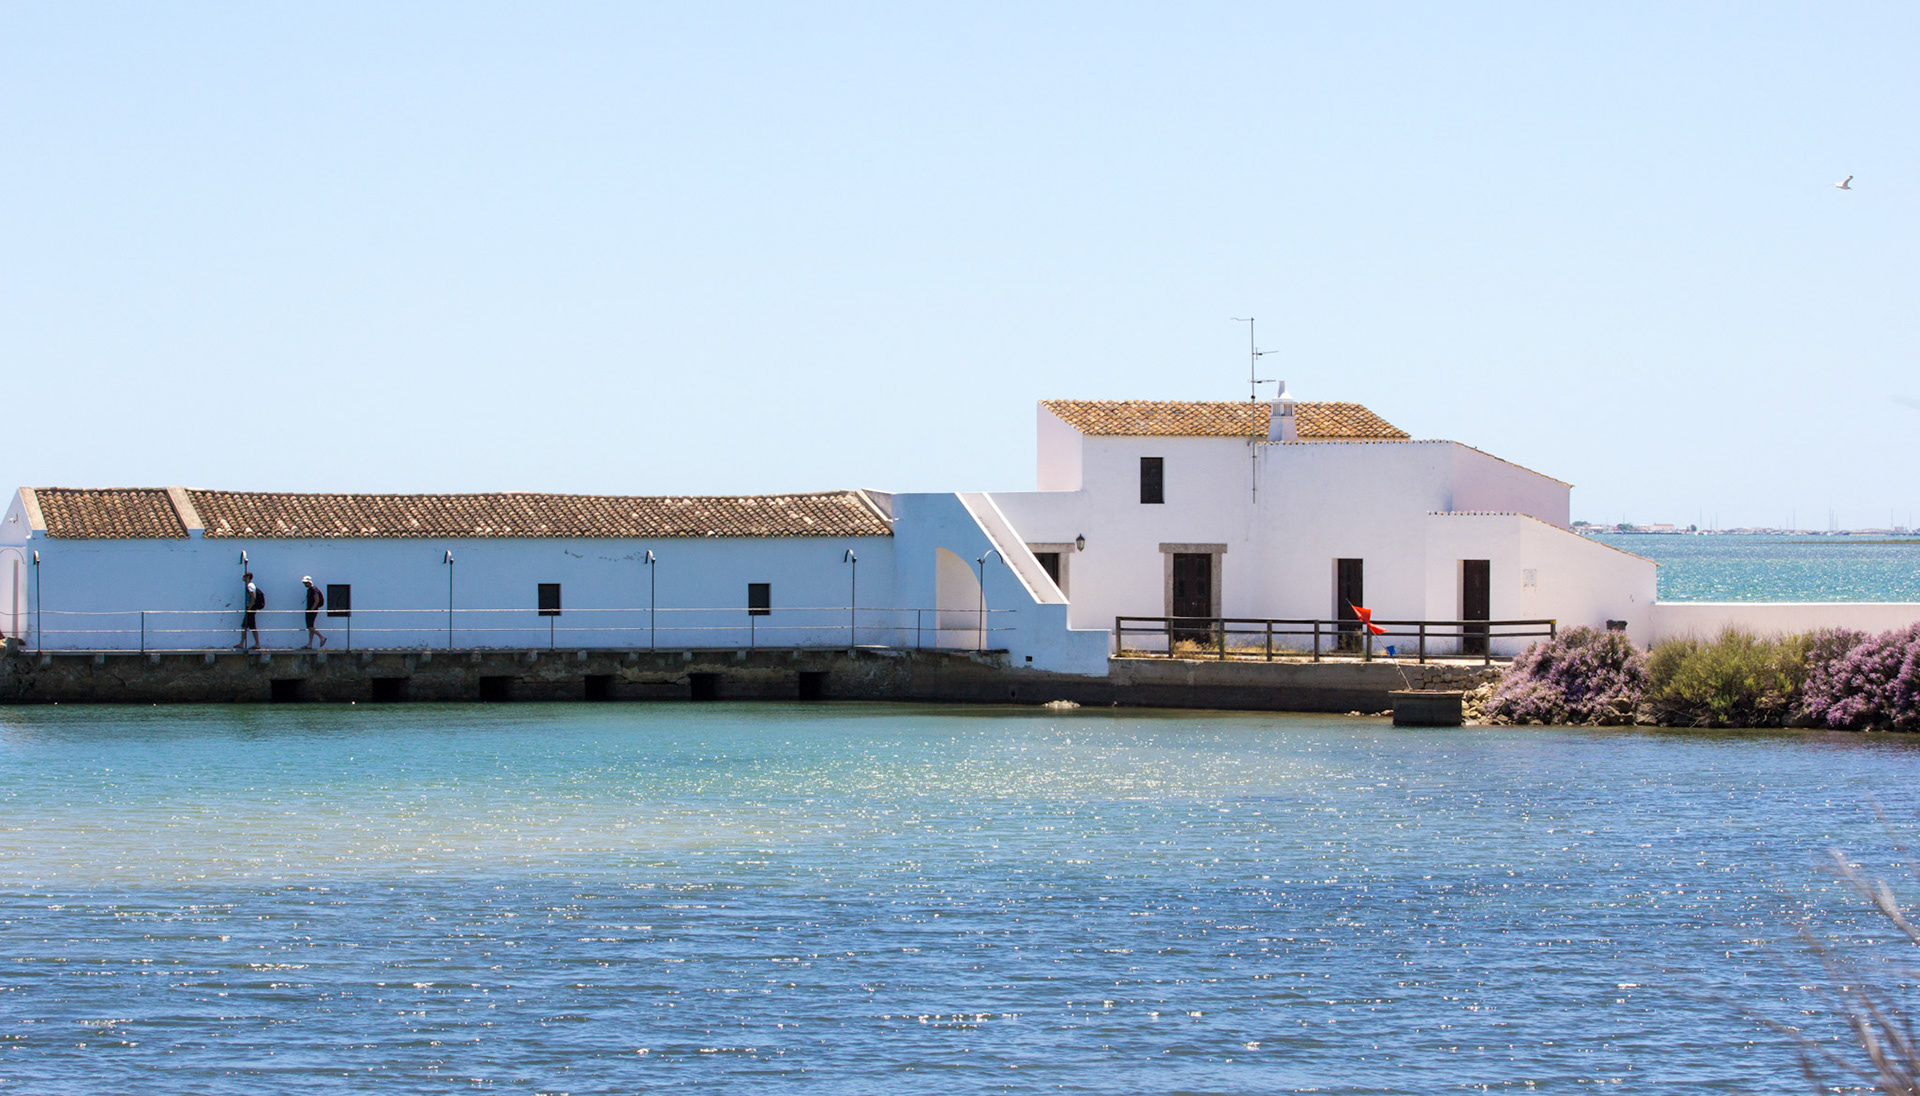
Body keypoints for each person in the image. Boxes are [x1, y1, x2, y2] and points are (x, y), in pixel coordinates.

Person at [238, 572, 264, 650]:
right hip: (251, 608)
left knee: (250, 626)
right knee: (246, 626)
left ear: (248, 577)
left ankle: (256, 644)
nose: (243, 577)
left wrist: (250, 607)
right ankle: (242, 643)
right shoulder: (250, 585)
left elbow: (253, 596)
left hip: (251, 608)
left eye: (244, 576)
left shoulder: (250, 586)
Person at [302, 576, 327, 649]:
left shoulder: (314, 589)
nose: (305, 584)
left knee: (310, 626)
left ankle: (322, 637)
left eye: (306, 583)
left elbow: (317, 600)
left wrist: (312, 609)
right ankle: (309, 644)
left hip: (312, 610)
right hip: (310, 609)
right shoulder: (310, 590)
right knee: (310, 627)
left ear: (309, 582)